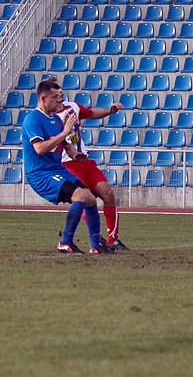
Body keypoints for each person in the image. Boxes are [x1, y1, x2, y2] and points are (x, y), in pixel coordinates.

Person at [21, 78, 112, 254]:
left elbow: (66, 145)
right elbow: (39, 149)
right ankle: (65, 242)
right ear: (43, 98)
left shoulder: (56, 119)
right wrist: (64, 132)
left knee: (90, 198)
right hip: (40, 174)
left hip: (57, 170)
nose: (60, 100)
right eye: (55, 97)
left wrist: (75, 154)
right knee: (80, 197)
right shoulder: (33, 119)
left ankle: (96, 246)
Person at [46, 76, 129, 250]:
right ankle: (97, 239)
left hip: (85, 162)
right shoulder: (47, 118)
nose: (60, 92)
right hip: (66, 165)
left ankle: (113, 240)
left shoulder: (73, 107)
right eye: (56, 91)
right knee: (84, 198)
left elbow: (91, 113)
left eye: (60, 89)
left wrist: (109, 111)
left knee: (108, 194)